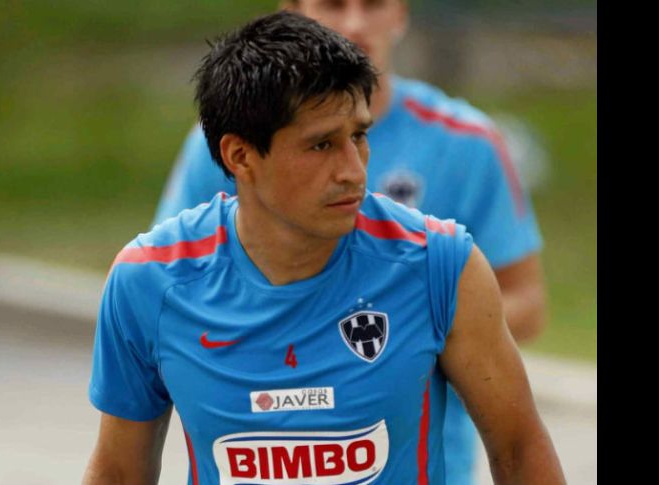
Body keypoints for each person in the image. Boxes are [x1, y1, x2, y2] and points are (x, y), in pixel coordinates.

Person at [83, 12, 564, 485]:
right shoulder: (148, 282)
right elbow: (118, 473)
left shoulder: (441, 264)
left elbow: (520, 451)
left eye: (359, 136)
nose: (354, 171)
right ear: (240, 156)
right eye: (321, 146)